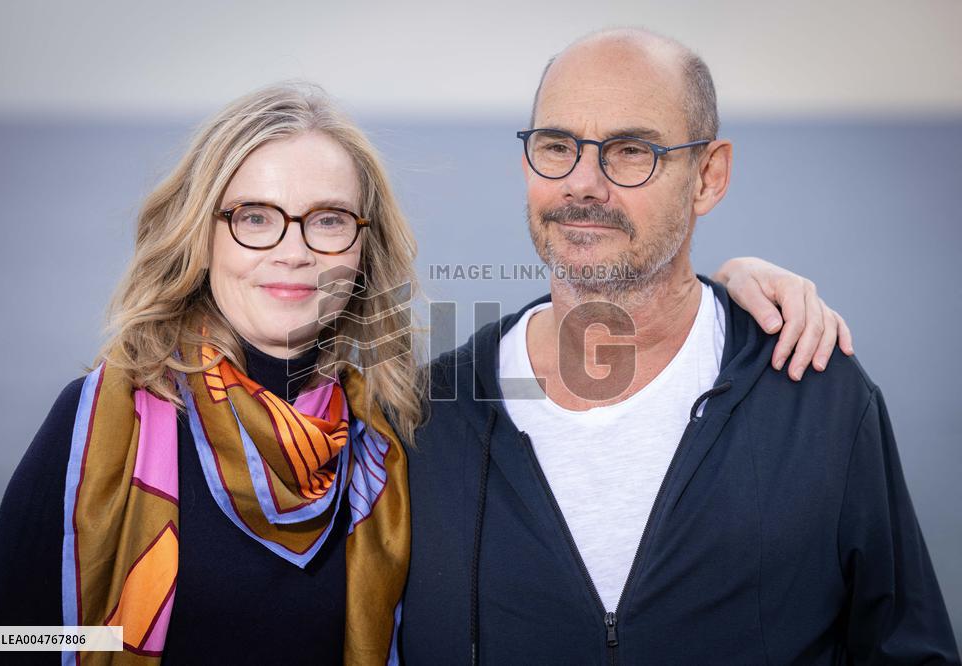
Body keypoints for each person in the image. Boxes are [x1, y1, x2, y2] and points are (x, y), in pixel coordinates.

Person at [0, 81, 850, 664]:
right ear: (202, 236)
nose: (292, 252)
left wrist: (728, 289)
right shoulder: (108, 424)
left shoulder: (392, 436)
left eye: (327, 221)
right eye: (254, 217)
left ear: (362, 249)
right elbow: (7, 639)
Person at [401, 28, 960, 664]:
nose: (583, 183)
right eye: (556, 147)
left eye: (631, 150)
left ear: (708, 177)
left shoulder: (815, 397)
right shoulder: (431, 418)